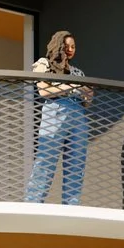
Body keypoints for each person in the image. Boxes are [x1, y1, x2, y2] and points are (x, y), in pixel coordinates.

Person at [24, 30, 94, 204]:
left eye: (73, 46)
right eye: (67, 46)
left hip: (78, 116)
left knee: (76, 165)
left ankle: (71, 206)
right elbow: (44, 90)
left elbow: (88, 99)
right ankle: (32, 204)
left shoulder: (77, 72)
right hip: (55, 111)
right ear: (58, 44)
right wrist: (72, 86)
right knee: (46, 161)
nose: (70, 49)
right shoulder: (44, 64)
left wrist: (85, 91)